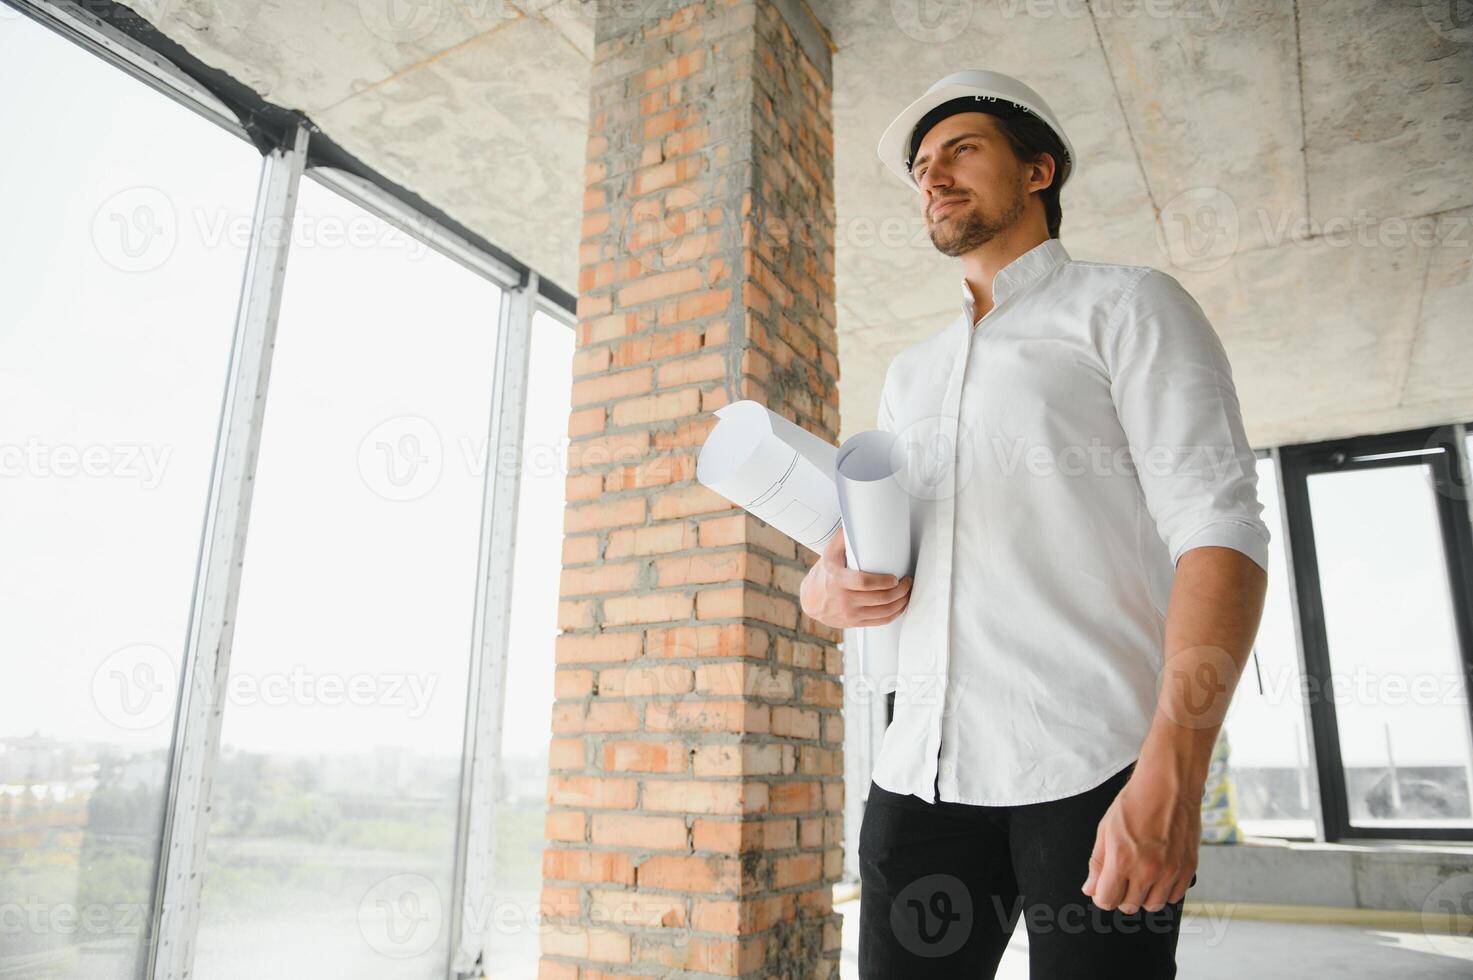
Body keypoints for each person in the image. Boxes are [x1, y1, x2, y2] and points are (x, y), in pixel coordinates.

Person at [799, 70, 1270, 977]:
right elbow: (877, 540)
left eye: (961, 150)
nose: (932, 176)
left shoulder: (1129, 306)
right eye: (920, 167)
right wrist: (826, 582)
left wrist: (1173, 774)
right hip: (917, 774)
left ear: (1039, 170)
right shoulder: (910, 373)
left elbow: (1220, 531)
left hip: (1095, 767)